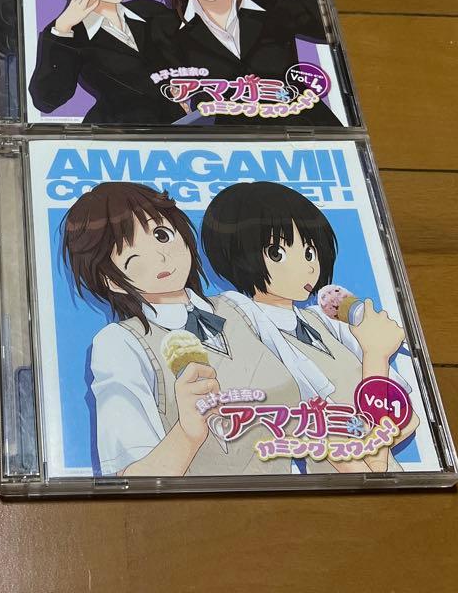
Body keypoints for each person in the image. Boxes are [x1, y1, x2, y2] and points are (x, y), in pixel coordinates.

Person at [62, 182, 300, 476]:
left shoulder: (239, 306)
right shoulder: (120, 343)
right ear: (111, 280)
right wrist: (186, 434)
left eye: (162, 235)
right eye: (131, 254)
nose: (160, 257)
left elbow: (312, 387)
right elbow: (131, 478)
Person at [201, 181, 419, 472]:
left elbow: (408, 420)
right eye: (277, 253)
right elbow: (357, 461)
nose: (308, 267)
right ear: (238, 256)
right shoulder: (257, 340)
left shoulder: (326, 322)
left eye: (309, 252)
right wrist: (376, 357)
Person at [143, 0, 341, 126]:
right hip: (231, 131)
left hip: (303, 120)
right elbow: (168, 82)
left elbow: (330, 29)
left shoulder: (272, 3)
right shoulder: (166, 27)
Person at [27, 0, 179, 124]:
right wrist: (63, 29)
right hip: (115, 129)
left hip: (180, 122)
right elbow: (47, 101)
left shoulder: (150, 11)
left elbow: (193, 51)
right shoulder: (66, 32)